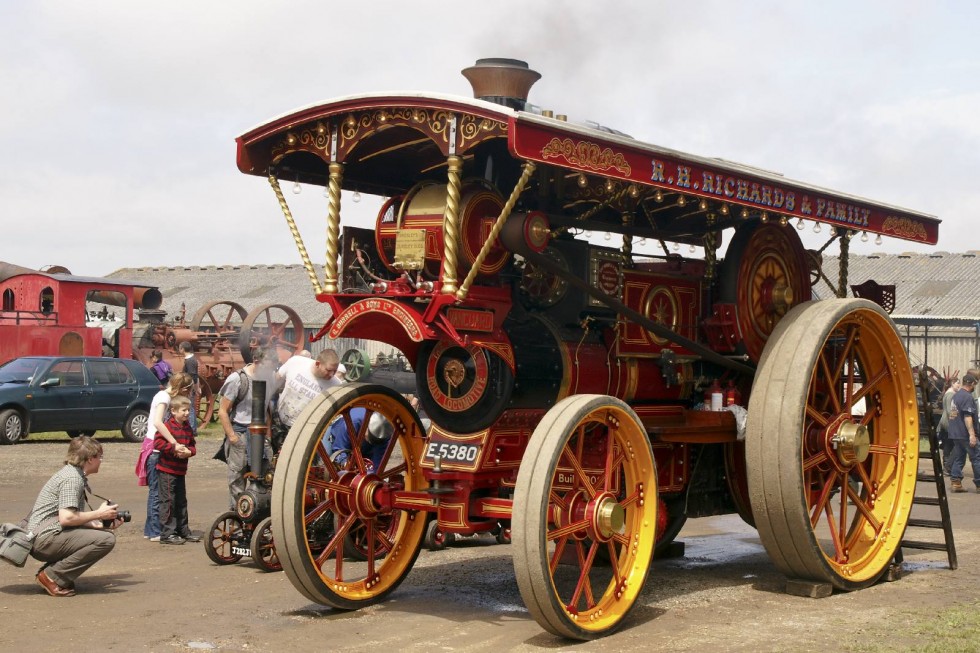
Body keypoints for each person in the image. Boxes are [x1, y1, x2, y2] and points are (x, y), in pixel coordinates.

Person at [26, 436, 122, 597]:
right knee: (106, 540)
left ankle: (54, 573)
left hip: (44, 536)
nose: (101, 461)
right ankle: (52, 576)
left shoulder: (72, 474)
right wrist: (100, 513)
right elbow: (67, 518)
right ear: (90, 459)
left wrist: (98, 524)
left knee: (103, 534)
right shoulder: (72, 479)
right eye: (100, 457)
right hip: (44, 539)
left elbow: (70, 519)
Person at [136, 373, 193, 541]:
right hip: (155, 449)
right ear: (182, 389)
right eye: (188, 392)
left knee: (157, 492)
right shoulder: (164, 398)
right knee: (157, 493)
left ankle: (152, 529)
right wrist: (174, 442)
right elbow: (157, 422)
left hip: (158, 446)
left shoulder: (166, 397)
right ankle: (156, 531)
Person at [217, 347, 276, 509]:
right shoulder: (237, 379)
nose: (270, 370)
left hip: (261, 434)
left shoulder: (269, 378)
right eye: (268, 366)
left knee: (265, 476)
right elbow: (222, 411)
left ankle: (258, 514)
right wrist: (232, 437)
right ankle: (238, 516)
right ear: (257, 362)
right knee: (237, 479)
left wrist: (269, 436)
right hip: (240, 431)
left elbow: (267, 410)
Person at [273, 349, 342, 446]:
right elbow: (276, 380)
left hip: (304, 431)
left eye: (335, 371)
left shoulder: (336, 385)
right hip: (279, 421)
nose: (331, 374)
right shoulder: (296, 362)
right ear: (318, 364)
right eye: (329, 370)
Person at [154, 395, 198, 545]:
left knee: (181, 501)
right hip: (167, 470)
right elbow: (157, 443)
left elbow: (193, 446)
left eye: (188, 410)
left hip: (180, 471)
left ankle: (183, 530)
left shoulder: (187, 427)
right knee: (168, 501)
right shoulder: (167, 426)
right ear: (173, 411)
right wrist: (173, 448)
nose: (187, 413)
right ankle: (167, 533)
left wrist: (189, 452)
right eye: (184, 410)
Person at [327, 409, 394, 471]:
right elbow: (339, 447)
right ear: (367, 426)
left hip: (363, 448)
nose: (371, 442)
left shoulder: (385, 433)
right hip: (336, 439)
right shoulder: (352, 422)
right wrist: (346, 466)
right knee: (326, 465)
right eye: (370, 438)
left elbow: (377, 462)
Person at [947, 374, 979, 493]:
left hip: (956, 433)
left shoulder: (957, 396)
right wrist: (972, 434)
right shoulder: (967, 397)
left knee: (960, 457)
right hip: (965, 434)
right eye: (975, 383)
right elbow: (967, 416)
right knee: (976, 457)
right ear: (972, 384)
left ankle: (956, 482)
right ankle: (979, 483)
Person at [938, 379, 961, 476]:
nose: (959, 385)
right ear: (952, 384)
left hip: (946, 422)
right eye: (957, 383)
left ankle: (947, 466)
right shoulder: (950, 395)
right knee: (951, 444)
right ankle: (947, 466)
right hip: (948, 423)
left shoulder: (948, 393)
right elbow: (949, 410)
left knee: (949, 444)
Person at [179, 341, 200, 434]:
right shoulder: (191, 360)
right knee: (190, 407)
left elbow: (193, 376)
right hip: (190, 387)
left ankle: (192, 429)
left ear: (182, 349)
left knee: (190, 408)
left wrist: (192, 388)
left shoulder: (190, 361)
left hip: (189, 388)